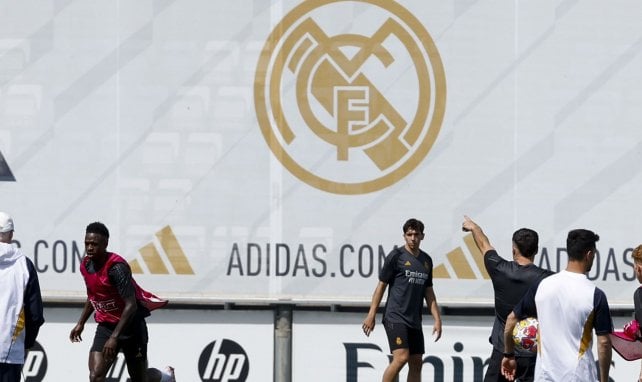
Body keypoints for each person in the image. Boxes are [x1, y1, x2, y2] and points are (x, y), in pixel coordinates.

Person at [502, 229, 613, 382]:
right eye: (594, 255)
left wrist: (508, 355)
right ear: (589, 255)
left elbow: (511, 320)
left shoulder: (542, 286)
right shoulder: (595, 294)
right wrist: (604, 379)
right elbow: (604, 343)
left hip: (544, 376)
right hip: (579, 376)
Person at [69, 222, 174, 382]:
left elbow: (131, 305)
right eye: (87, 243)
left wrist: (114, 338)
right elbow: (93, 296)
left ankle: (165, 376)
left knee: (140, 379)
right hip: (106, 327)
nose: (89, 248)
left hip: (131, 327)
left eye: (94, 244)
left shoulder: (116, 268)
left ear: (105, 244)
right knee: (95, 376)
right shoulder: (86, 265)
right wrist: (81, 323)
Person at [462, 215, 553, 382]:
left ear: (513, 250)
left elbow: (483, 244)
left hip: (503, 351)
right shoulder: (547, 279)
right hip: (532, 355)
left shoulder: (499, 268)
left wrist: (474, 228)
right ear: (536, 250)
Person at [362, 218, 442, 382]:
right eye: (409, 234)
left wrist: (437, 319)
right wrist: (371, 315)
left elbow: (429, 292)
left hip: (414, 320)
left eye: (416, 234)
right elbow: (381, 287)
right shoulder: (396, 256)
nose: (413, 238)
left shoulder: (426, 261)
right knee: (401, 357)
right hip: (395, 317)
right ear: (404, 236)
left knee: (416, 362)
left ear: (422, 236)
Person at [0, 212, 45, 382]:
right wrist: (25, 344)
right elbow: (36, 315)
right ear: (11, 234)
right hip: (10, 351)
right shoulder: (24, 265)